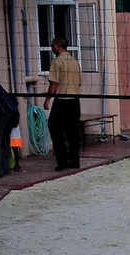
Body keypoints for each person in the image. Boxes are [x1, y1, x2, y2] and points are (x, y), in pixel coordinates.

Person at [44, 37, 82, 171]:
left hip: (62, 101)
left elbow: (54, 83)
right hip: (75, 100)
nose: (51, 48)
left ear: (57, 46)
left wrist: (47, 99)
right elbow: (79, 82)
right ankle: (75, 160)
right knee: (73, 132)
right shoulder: (75, 61)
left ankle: (62, 161)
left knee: (55, 128)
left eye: (52, 45)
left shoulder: (57, 61)